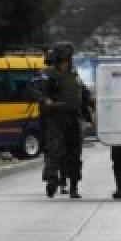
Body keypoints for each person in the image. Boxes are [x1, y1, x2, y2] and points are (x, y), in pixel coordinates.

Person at [38, 42, 90, 197]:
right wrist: (45, 99)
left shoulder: (74, 75)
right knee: (55, 151)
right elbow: (34, 89)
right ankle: (52, 180)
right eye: (66, 58)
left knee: (74, 153)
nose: (68, 61)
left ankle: (73, 186)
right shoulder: (48, 73)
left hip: (73, 118)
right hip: (55, 118)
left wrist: (88, 116)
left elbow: (83, 96)